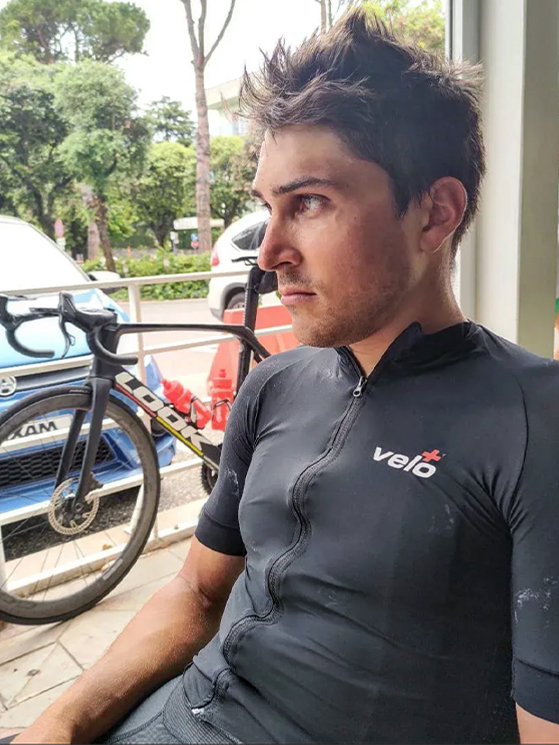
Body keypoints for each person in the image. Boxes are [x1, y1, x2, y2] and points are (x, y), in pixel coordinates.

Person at [8, 10, 559, 744]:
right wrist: (61, 721)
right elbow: (195, 589)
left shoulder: (534, 423)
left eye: (310, 203)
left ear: (435, 214)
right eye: (268, 207)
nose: (268, 253)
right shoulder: (276, 386)